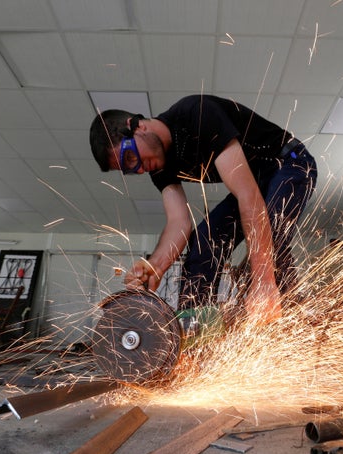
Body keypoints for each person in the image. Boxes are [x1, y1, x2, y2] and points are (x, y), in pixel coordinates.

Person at [89, 94, 317, 321]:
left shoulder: (196, 113)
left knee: (269, 240)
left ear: (136, 126)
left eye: (130, 157)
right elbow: (179, 222)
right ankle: (195, 329)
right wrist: (154, 266)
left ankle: (290, 319)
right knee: (204, 240)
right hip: (255, 180)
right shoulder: (159, 166)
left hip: (290, 162)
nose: (137, 168)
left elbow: (248, 197)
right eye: (129, 169)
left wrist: (263, 280)